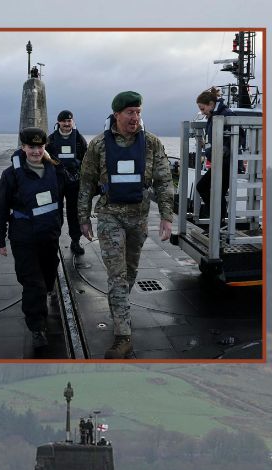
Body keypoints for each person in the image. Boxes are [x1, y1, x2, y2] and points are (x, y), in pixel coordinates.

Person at [77, 91, 174, 359]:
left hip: (138, 218)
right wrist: (83, 217)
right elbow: (85, 183)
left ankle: (119, 310)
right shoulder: (98, 145)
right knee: (117, 275)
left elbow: (165, 181)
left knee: (130, 273)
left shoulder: (152, 144)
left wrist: (167, 216)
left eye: (138, 112)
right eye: (130, 112)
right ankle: (123, 335)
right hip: (110, 216)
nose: (135, 117)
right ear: (117, 114)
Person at [0, 127, 64, 352]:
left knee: (49, 273)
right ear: (23, 147)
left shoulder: (54, 169)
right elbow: (1, 208)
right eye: (31, 147)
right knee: (33, 283)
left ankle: (46, 292)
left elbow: (68, 194)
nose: (36, 151)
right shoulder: (11, 174)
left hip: (49, 235)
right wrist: (0, 239)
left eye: (40, 146)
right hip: (24, 236)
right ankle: (37, 327)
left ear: (45, 147)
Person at [46, 110, 88, 255]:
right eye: (63, 121)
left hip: (74, 182)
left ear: (72, 122)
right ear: (58, 122)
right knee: (55, 212)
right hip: (57, 180)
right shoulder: (50, 140)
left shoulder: (79, 140)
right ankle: (54, 241)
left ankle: (75, 241)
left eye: (69, 121)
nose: (66, 124)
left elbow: (86, 160)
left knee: (74, 212)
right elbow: (45, 160)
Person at [194, 86, 232, 227]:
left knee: (206, 188)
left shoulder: (225, 114)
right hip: (219, 161)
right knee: (214, 191)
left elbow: (237, 135)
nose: (203, 113)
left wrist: (225, 150)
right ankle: (219, 222)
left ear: (211, 104)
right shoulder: (214, 115)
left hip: (225, 162)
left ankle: (218, 222)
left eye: (203, 109)